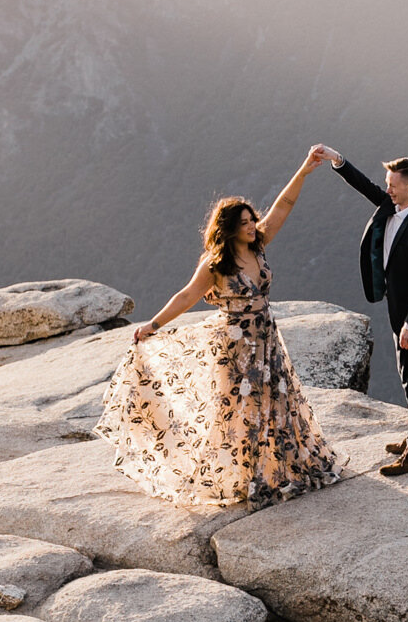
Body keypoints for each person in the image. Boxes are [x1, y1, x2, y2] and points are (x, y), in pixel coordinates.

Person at [95, 150, 341, 509]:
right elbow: (187, 295)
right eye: (243, 222)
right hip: (236, 347)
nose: (251, 225)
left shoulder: (259, 243)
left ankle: (279, 469)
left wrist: (304, 170)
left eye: (251, 219)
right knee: (238, 411)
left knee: (276, 404)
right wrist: (153, 325)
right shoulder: (216, 263)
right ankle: (242, 477)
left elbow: (284, 204)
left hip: (267, 341)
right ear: (228, 228)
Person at [314, 146, 408, 475]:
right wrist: (338, 160)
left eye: (393, 184)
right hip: (399, 307)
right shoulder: (391, 205)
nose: (387, 189)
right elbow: (365, 186)